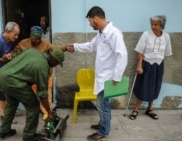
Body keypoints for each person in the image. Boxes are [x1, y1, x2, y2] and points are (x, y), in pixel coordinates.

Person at [66, 6, 128, 141]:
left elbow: (122, 55)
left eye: (90, 21)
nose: (89, 24)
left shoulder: (113, 33)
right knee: (102, 104)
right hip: (101, 77)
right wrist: (75, 47)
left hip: (108, 78)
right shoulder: (101, 33)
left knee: (102, 105)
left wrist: (117, 76)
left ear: (96, 18)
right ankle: (103, 124)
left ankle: (103, 131)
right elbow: (90, 46)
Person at [0, 47, 64, 141]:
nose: (55, 66)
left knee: (11, 104)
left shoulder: (33, 51)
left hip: (1, 76)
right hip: (12, 81)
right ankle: (29, 135)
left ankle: (4, 131)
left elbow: (17, 58)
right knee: (33, 106)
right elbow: (42, 94)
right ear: (53, 59)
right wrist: (49, 113)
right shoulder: (43, 67)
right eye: (56, 63)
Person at [10, 25, 65, 120]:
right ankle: (36, 111)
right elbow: (14, 54)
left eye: (39, 39)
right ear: (30, 36)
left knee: (46, 94)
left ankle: (47, 113)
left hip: (44, 74)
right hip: (30, 75)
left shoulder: (45, 44)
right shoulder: (23, 43)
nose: (38, 41)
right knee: (33, 95)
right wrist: (9, 56)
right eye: (35, 39)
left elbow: (56, 50)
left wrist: (66, 48)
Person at [129, 15, 172, 120]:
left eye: (156, 24)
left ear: (161, 25)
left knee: (154, 86)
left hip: (159, 65)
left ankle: (150, 109)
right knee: (143, 87)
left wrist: (159, 62)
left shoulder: (166, 36)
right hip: (147, 64)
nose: (153, 26)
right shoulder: (146, 35)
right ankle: (135, 109)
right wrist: (139, 65)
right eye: (152, 24)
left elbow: (166, 53)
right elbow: (140, 51)